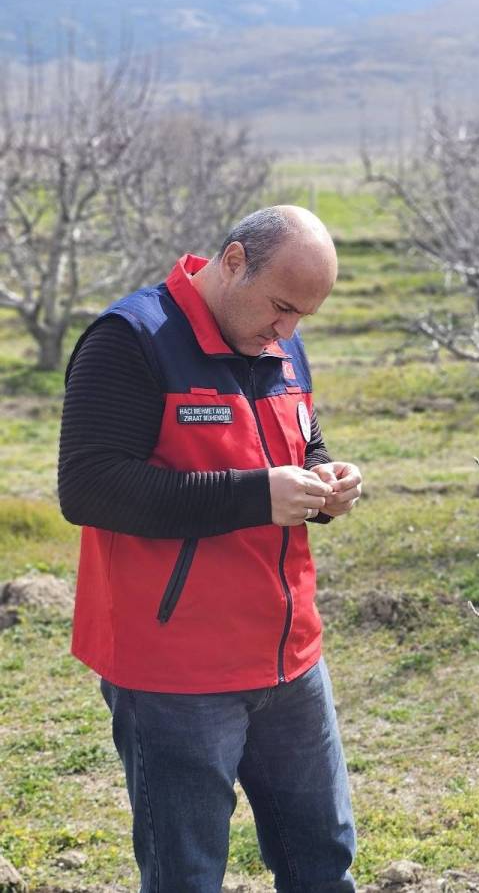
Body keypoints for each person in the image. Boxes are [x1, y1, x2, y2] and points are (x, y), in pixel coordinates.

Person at [57, 205, 362, 892]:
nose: (288, 331)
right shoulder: (131, 338)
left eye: (303, 317)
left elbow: (300, 443)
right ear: (231, 262)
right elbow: (89, 488)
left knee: (323, 861)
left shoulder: (278, 342)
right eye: (282, 307)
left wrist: (328, 480)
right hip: (174, 676)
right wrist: (254, 496)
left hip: (291, 663)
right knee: (188, 875)